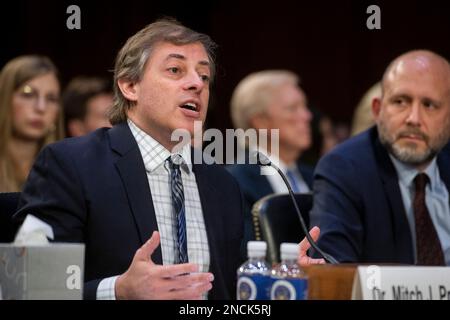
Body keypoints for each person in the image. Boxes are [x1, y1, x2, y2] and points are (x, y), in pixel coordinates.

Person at [14, 19, 243, 300]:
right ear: (129, 86)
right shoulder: (69, 165)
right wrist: (118, 290)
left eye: (204, 76)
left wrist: (284, 279)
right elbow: (28, 287)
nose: (197, 84)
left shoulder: (223, 184)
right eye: (175, 70)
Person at [308, 50, 450, 265]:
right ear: (377, 110)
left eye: (429, 105)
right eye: (401, 101)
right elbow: (333, 265)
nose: (413, 118)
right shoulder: (345, 168)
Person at [226, 70, 314, 254]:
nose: (307, 116)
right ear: (260, 122)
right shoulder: (234, 182)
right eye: (293, 108)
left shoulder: (315, 176)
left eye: (304, 106)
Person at [0, 55, 64, 192]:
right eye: (28, 94)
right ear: (4, 98)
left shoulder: (67, 171)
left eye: (51, 98)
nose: (41, 108)